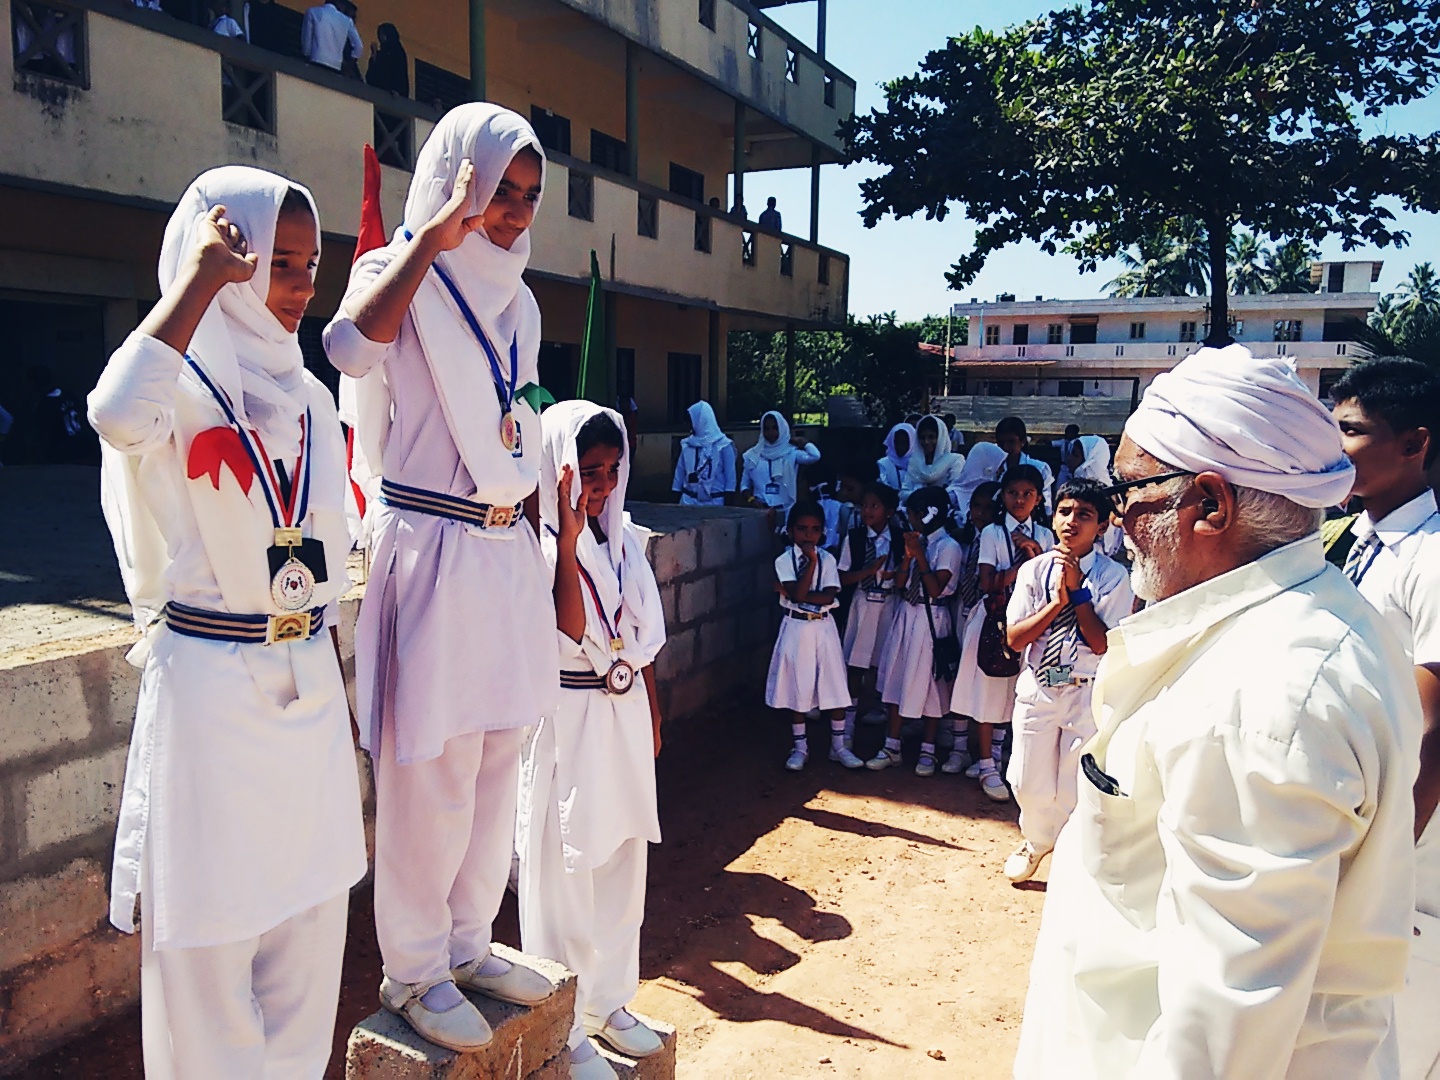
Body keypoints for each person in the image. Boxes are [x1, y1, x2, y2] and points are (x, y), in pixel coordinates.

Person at [1016, 345, 1419, 1079]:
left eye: (1131, 493)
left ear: (1210, 504)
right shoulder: (1307, 627)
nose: (1118, 521)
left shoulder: (1266, 698)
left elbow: (1222, 1036)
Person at [87, 168, 366, 1076]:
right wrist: (195, 286)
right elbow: (115, 413)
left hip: (308, 679)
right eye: (273, 262)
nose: (296, 286)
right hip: (209, 688)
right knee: (207, 951)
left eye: (309, 264)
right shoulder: (177, 383)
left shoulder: (315, 399)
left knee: (310, 931)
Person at [324, 105, 557, 1051]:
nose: (509, 215)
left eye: (527, 198)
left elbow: (524, 421)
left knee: (500, 754)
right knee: (434, 770)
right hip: (428, 542)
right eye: (498, 191)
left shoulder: (524, 300)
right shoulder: (398, 272)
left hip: (502, 551)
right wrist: (433, 234)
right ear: (460, 177)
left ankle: (468, 941)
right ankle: (415, 970)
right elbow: (347, 350)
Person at [518, 402, 667, 1080]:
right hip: (570, 718)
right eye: (588, 472)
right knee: (567, 872)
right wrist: (572, 539)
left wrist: (654, 710)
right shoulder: (544, 548)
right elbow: (569, 627)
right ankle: (568, 1023)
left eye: (610, 471)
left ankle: (611, 1001)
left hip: (624, 711)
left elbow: (644, 643)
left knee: (621, 860)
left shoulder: (628, 540)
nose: (600, 486)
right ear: (559, 470)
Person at [1328, 358, 1440, 1080]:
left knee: (1399, 1026)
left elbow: (1434, 729)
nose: (1336, 447)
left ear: (1414, 443)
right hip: (1357, 809)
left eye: (1353, 431)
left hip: (1410, 838)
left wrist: (1386, 860)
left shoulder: (1430, 561)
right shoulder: (1344, 540)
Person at [1000, 478, 1132, 883]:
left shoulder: (1112, 577)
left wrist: (1078, 596)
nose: (1072, 522)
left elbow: (1101, 643)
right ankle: (1038, 839)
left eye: (1085, 515)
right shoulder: (1033, 571)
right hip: (1040, 683)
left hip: (1085, 686)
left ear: (1103, 526)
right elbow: (1016, 637)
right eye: (1065, 511)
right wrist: (1057, 601)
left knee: (1075, 780)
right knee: (1026, 778)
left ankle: (1074, 854)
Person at [950, 464, 1054, 801]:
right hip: (995, 618)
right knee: (989, 690)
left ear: (1038, 498)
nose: (1019, 500)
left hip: (1031, 619)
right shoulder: (994, 533)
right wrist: (1025, 559)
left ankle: (997, 755)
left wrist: (1036, 550)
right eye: (1013, 493)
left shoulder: (1047, 534)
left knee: (1016, 691)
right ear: (1003, 496)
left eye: (1027, 494)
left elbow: (1050, 583)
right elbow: (987, 581)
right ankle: (985, 765)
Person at [868, 486, 964, 777]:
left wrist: (920, 555)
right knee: (898, 677)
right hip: (907, 615)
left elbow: (935, 589)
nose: (909, 519)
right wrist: (908, 558)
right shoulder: (916, 542)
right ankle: (892, 745)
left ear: (928, 514)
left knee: (930, 685)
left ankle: (928, 749)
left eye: (912, 514)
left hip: (930, 617)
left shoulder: (948, 547)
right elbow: (899, 583)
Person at [768, 500, 861, 771]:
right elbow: (797, 596)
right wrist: (809, 566)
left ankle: (839, 746)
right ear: (790, 531)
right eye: (802, 529)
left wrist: (798, 593)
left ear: (823, 532)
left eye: (815, 530)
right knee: (798, 684)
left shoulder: (829, 559)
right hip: (796, 627)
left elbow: (829, 595)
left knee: (834, 682)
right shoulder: (784, 560)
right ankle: (800, 747)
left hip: (823, 625)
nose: (809, 535)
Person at [838, 482, 904, 729]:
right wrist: (869, 571)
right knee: (856, 659)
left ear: (889, 511)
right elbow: (842, 577)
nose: (867, 511)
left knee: (882, 659)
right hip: (862, 603)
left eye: (874, 506)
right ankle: (848, 718)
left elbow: (906, 573)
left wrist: (894, 575)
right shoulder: (854, 539)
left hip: (889, 603)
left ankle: (879, 709)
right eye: (864, 506)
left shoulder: (898, 538)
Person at [952, 416, 1054, 520]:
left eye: (1011, 442)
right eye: (1001, 443)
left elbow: (1047, 507)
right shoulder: (989, 464)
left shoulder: (1040, 468)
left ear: (1022, 441)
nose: (1005, 447)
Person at [739, 410, 821, 524]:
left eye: (775, 428)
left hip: (786, 510)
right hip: (760, 511)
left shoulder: (791, 453)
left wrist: (804, 442)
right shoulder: (752, 455)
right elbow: (744, 486)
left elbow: (815, 456)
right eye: (766, 429)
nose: (771, 433)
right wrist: (751, 500)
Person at [672, 400, 735, 506]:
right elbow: (679, 475)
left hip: (715, 502)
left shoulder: (723, 445)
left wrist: (727, 505)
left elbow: (730, 479)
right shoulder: (687, 444)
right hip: (688, 501)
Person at [904, 414, 965, 497]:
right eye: (922, 438)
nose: (926, 442)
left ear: (941, 438)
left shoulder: (955, 461)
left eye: (931, 437)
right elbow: (903, 492)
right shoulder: (914, 462)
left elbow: (956, 493)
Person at [301, 0, 361, 72]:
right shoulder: (347, 21)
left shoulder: (312, 12)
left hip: (316, 60)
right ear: (339, 3)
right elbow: (359, 47)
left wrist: (307, 55)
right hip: (336, 66)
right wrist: (350, 63)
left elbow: (306, 41)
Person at [365, 22, 409, 96]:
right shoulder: (381, 53)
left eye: (383, 34)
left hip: (394, 94)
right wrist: (374, 55)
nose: (381, 37)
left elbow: (399, 73)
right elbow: (372, 76)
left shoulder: (397, 52)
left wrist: (397, 90)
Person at [877, 421, 915, 492]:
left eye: (905, 442)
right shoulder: (884, 464)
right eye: (897, 442)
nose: (901, 446)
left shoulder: (918, 463)